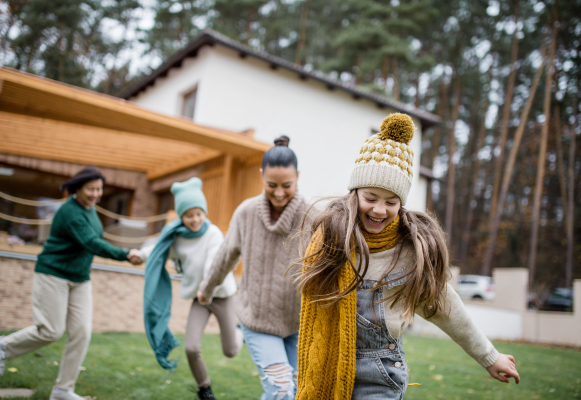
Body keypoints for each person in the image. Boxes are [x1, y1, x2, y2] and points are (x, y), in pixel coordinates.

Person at [294, 113, 520, 400]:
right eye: (370, 198)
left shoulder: (409, 253)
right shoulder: (331, 242)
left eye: (391, 202)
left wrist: (489, 356)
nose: (379, 210)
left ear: (401, 204)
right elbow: (309, 301)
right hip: (331, 368)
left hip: (381, 376)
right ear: (355, 194)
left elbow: (445, 306)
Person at [0, 166, 143, 400]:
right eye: (90, 189)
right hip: (53, 274)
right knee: (50, 331)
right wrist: (124, 254)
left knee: (81, 332)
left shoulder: (90, 210)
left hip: (80, 279)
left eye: (99, 189)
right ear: (77, 188)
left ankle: (63, 390)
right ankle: (3, 346)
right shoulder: (70, 211)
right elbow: (91, 242)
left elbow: (92, 240)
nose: (95, 194)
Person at [197, 136, 307, 400]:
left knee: (299, 393)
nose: (279, 193)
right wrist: (207, 288)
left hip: (298, 323)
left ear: (298, 176)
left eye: (287, 185)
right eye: (271, 185)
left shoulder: (312, 215)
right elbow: (225, 255)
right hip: (257, 319)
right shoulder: (246, 213)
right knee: (280, 390)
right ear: (261, 176)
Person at [140, 177, 242, 400]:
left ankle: (239, 331)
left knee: (230, 350)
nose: (195, 219)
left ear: (204, 212)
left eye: (198, 213)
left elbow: (212, 265)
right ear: (181, 216)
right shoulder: (177, 236)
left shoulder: (213, 233)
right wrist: (140, 256)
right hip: (200, 299)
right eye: (189, 215)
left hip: (221, 296)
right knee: (191, 348)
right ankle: (204, 389)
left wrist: (206, 289)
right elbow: (159, 249)